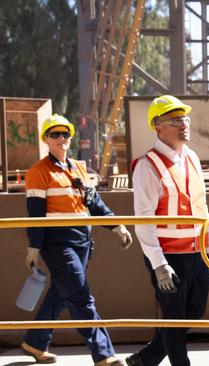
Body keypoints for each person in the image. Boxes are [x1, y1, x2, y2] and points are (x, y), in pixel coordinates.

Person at [22, 114, 133, 366]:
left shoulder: (79, 167)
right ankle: (104, 354)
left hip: (82, 241)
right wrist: (34, 246)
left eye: (65, 134)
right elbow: (35, 212)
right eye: (55, 134)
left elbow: (94, 203)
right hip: (57, 243)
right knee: (81, 295)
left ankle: (34, 342)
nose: (61, 138)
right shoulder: (38, 172)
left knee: (62, 294)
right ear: (46, 139)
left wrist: (116, 225)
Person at [127, 95, 209, 366]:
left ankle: (147, 358)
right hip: (168, 256)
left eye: (185, 119)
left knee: (195, 311)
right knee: (173, 316)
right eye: (175, 120)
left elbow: (202, 207)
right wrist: (158, 264)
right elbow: (143, 220)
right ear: (158, 126)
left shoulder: (191, 158)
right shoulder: (147, 166)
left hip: (196, 253)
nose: (184, 124)